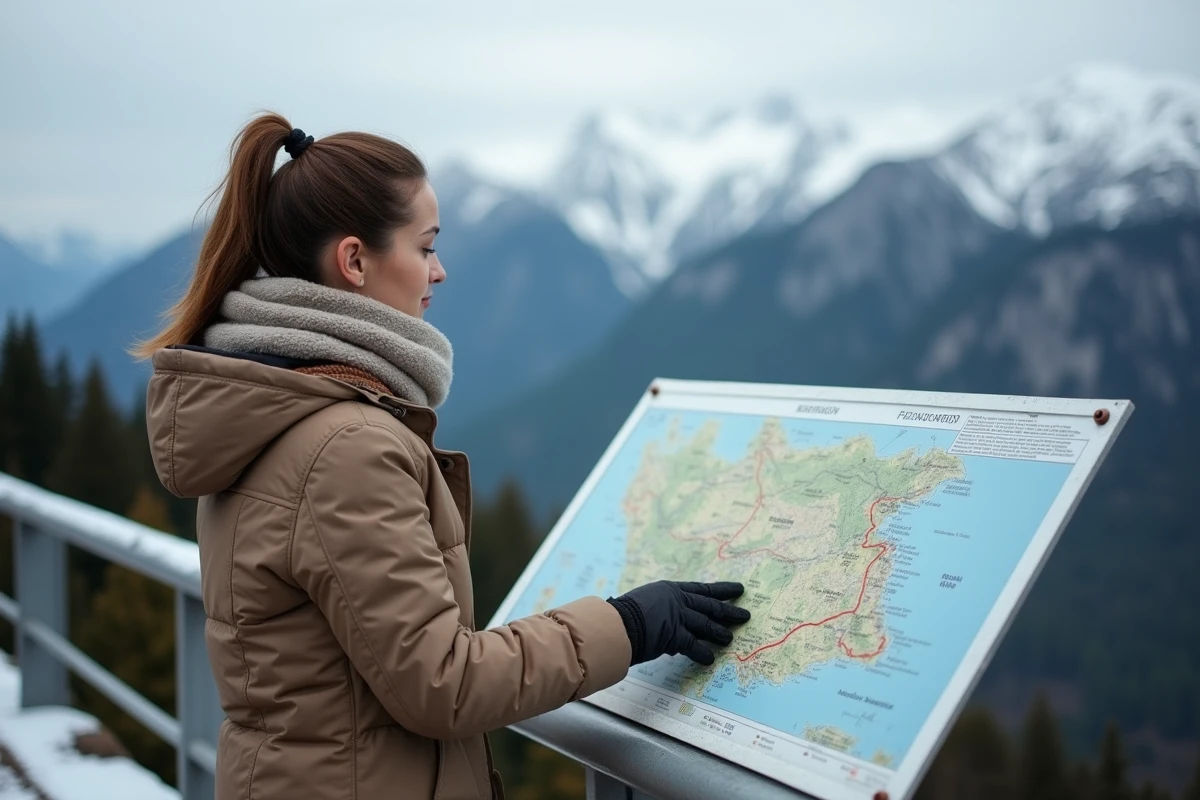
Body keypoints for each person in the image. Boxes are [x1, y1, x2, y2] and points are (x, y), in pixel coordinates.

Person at [136, 113, 750, 800]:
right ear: (355, 261)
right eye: (426, 247)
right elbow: (443, 684)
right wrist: (634, 623)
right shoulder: (346, 446)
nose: (441, 269)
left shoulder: (277, 404)